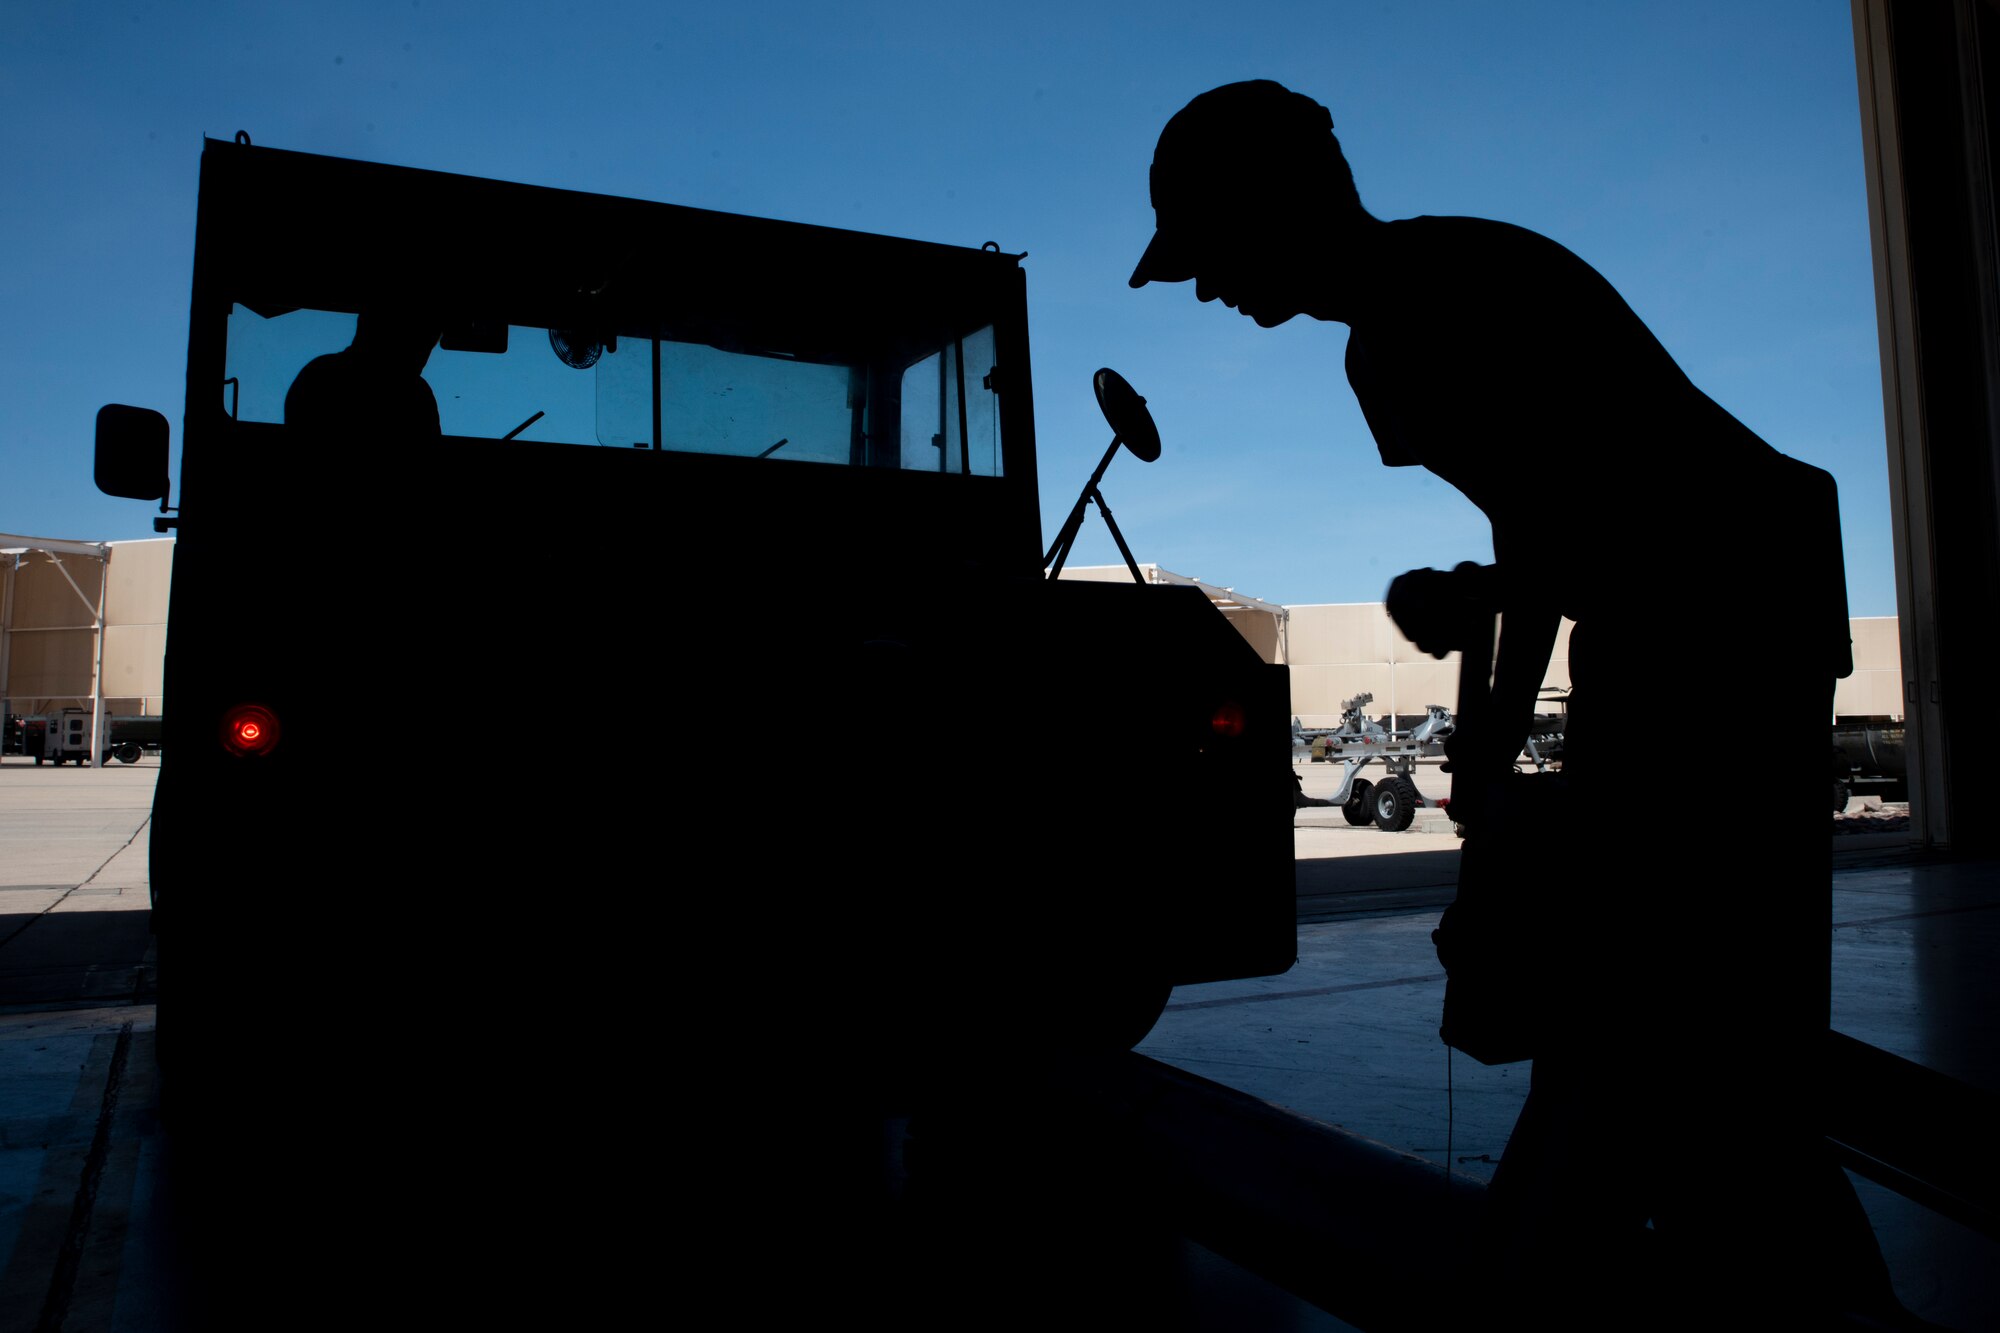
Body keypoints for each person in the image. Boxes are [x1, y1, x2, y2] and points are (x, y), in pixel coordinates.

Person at [1131, 80, 1894, 1326]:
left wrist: (1484, 633)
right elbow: (1538, 522)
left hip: (1728, 605)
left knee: (1678, 1002)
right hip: (1659, 610)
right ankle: (1683, 1224)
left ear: (1276, 203)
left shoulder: (1450, 291)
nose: (1206, 286)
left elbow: (1586, 515)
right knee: (1671, 1008)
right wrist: (1485, 643)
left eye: (1207, 249)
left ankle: (1643, 1242)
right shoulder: (1375, 343)